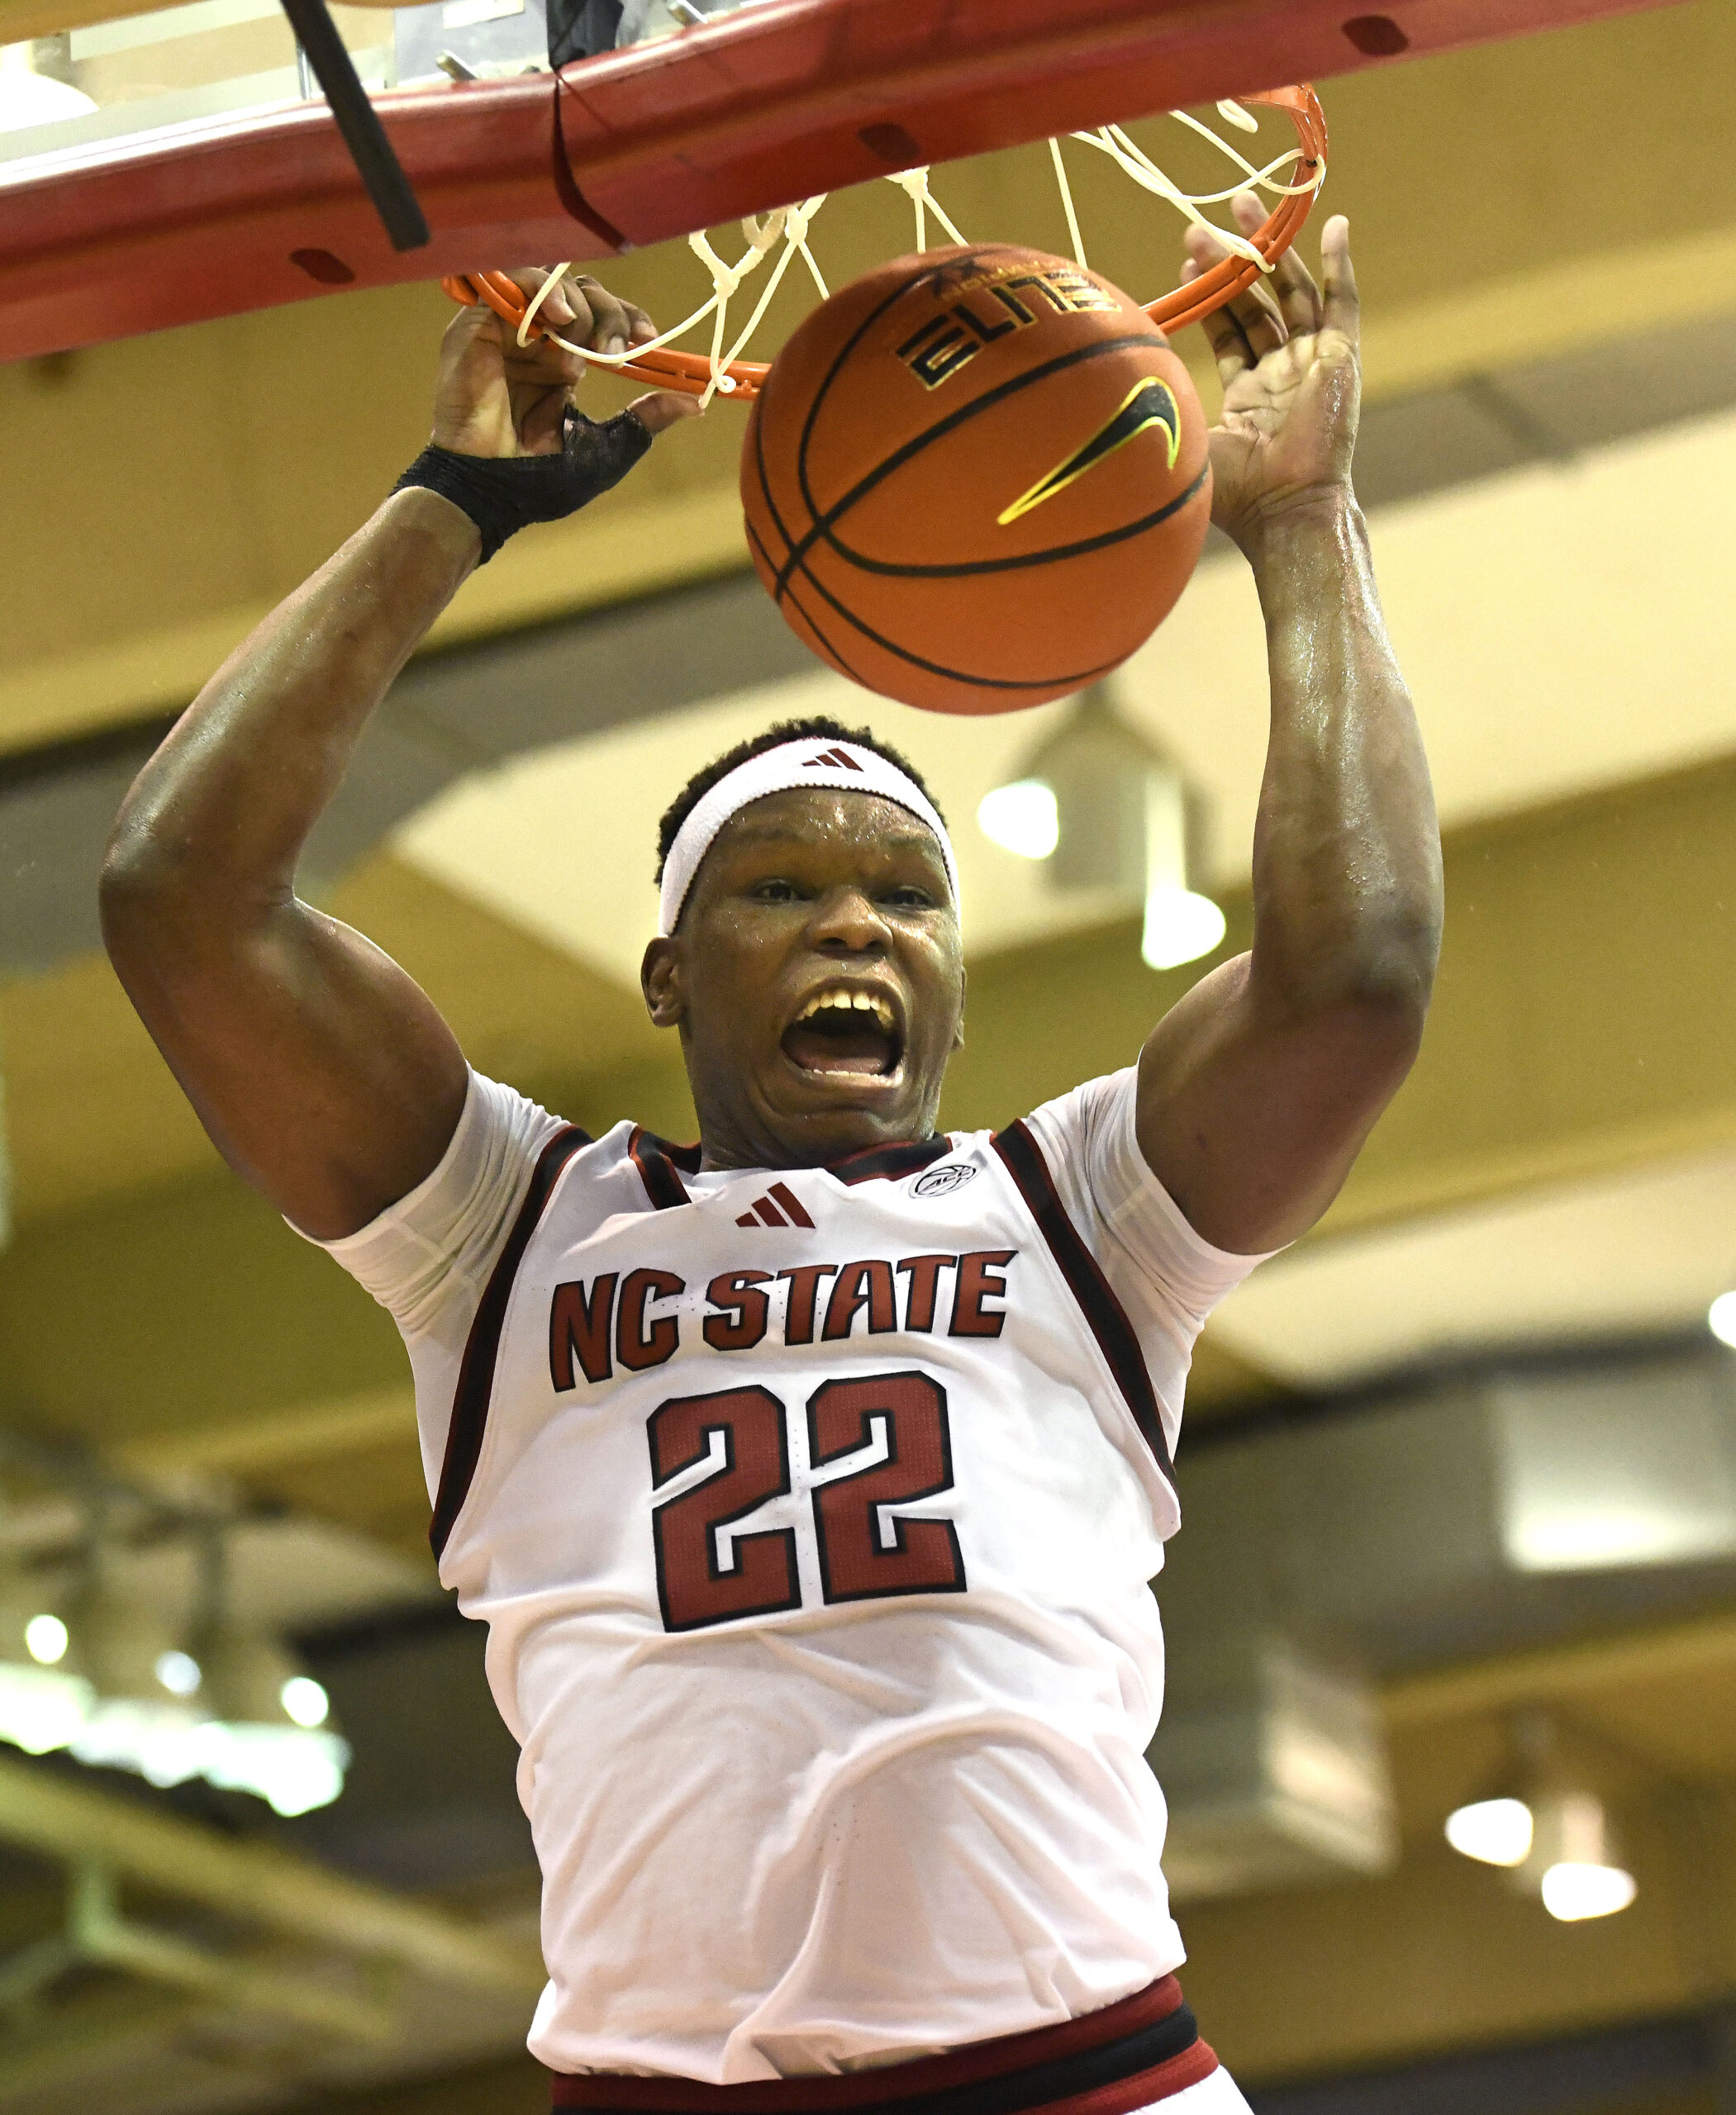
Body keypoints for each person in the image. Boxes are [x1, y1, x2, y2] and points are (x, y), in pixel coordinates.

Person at [101, 204, 1441, 2113]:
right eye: (781, 888)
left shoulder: (1076, 1220)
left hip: (1080, 2073)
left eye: (905, 894)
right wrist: (450, 503)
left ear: (955, 990)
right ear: (665, 965)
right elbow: (180, 896)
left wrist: (1302, 530)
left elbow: (1356, 979)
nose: (855, 927)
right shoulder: (503, 1232)